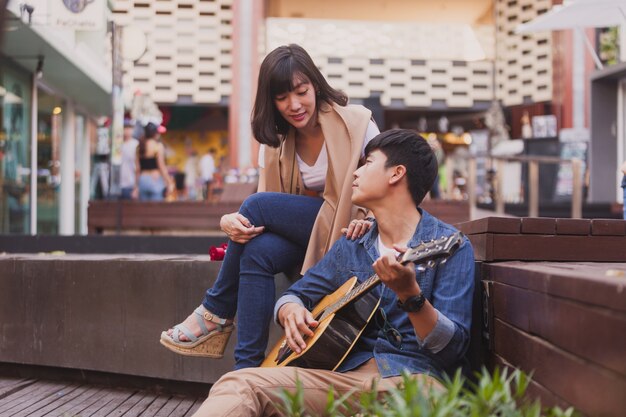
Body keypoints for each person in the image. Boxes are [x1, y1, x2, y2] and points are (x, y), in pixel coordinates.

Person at [191, 129, 475, 417]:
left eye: (368, 163)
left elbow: (452, 350)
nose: (356, 172)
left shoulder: (451, 247)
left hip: (412, 382)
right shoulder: (352, 245)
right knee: (239, 383)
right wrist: (289, 310)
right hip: (341, 378)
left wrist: (411, 296)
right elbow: (295, 295)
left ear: (396, 174)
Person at [160, 44, 380, 369]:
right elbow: (266, 217)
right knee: (257, 249)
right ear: (271, 101)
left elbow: (391, 180)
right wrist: (228, 220)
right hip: (309, 240)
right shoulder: (274, 144)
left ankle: (216, 312)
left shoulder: (358, 124)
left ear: (315, 86)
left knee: (255, 208)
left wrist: (373, 218)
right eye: (281, 98)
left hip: (351, 233)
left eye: (302, 91)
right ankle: (247, 371)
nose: (294, 105)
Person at [133, 122, 174, 201]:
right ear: (155, 133)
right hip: (155, 178)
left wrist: (135, 186)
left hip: (143, 179)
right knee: (155, 209)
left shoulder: (139, 147)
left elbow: (137, 169)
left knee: (144, 209)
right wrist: (169, 182)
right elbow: (161, 166)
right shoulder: (157, 146)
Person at [119, 118, 139, 200]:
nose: (126, 130)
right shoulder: (117, 145)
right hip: (117, 184)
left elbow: (138, 167)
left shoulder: (136, 145)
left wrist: (136, 186)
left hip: (131, 184)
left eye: (129, 128)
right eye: (124, 128)